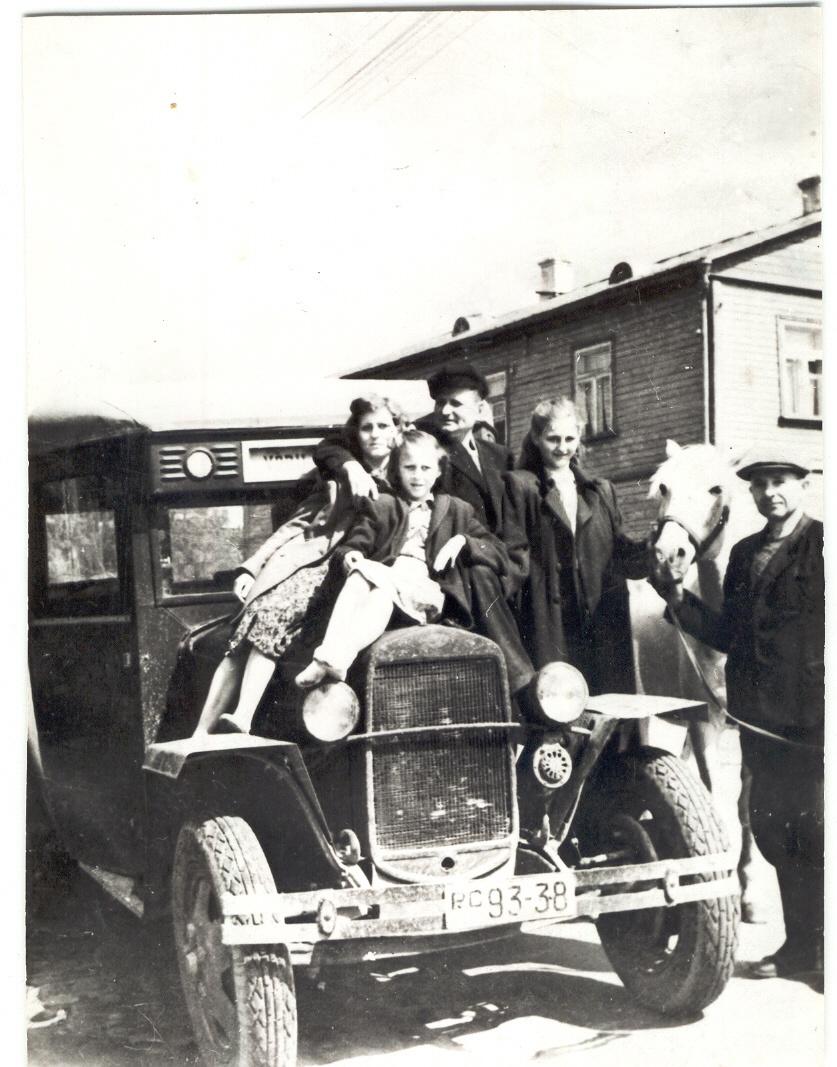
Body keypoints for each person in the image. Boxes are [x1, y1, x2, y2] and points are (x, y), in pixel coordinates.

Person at [651, 453, 824, 981]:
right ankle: (801, 950)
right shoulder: (745, 553)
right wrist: (676, 596)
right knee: (774, 832)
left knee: (817, 834)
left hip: (811, 723)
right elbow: (729, 634)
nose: (771, 492)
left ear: (803, 484)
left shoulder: (823, 544)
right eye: (761, 484)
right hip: (758, 720)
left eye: (781, 482)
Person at [192, 395, 404, 735]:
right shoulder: (337, 476)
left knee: (276, 618)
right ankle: (209, 729)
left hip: (360, 573)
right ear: (357, 433)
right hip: (314, 563)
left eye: (383, 426)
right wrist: (252, 567)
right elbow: (296, 524)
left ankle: (241, 715)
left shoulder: (408, 471)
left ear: (397, 432)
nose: (375, 434)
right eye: (367, 428)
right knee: (257, 618)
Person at [296, 429, 532, 695]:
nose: (418, 476)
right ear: (398, 469)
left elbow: (499, 551)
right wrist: (350, 555)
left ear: (438, 471)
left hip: (428, 592)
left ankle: (330, 657)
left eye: (425, 468)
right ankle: (331, 657)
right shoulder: (384, 504)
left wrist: (464, 541)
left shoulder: (456, 510)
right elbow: (355, 544)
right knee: (367, 579)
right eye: (410, 468)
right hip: (388, 584)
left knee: (373, 579)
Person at [502, 396, 648, 693]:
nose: (562, 447)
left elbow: (621, 554)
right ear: (536, 438)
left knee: (607, 708)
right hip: (551, 625)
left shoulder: (600, 491)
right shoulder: (520, 487)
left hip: (601, 625)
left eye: (569, 439)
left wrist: (656, 546)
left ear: (579, 437)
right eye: (553, 439)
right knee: (557, 703)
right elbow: (514, 557)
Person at [314, 362, 514, 535]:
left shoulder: (499, 455)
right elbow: (331, 444)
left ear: (480, 409)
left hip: (497, 554)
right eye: (440, 402)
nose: (445, 411)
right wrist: (351, 466)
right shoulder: (420, 436)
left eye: (455, 403)